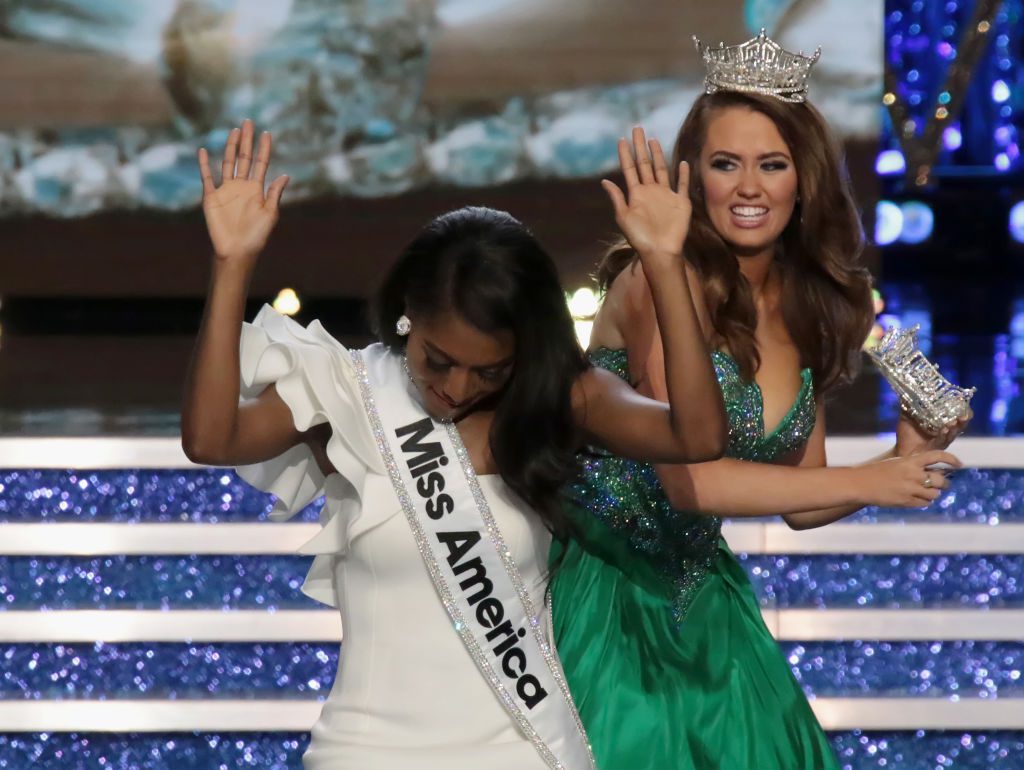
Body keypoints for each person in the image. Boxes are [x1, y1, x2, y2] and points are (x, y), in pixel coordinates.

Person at [180, 119, 727, 770]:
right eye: (436, 360)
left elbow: (696, 436)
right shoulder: (346, 390)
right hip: (368, 754)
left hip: (523, 751)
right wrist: (232, 263)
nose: (456, 388)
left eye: (488, 370)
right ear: (408, 312)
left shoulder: (559, 398)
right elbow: (211, 439)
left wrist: (664, 265)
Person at [549, 33, 967, 770]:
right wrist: (870, 482)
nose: (749, 187)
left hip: (706, 596)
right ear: (694, 177)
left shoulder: (804, 306)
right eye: (725, 164)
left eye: (771, 165)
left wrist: (900, 458)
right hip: (606, 592)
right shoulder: (657, 283)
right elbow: (691, 480)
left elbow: (803, 499)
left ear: (801, 180)